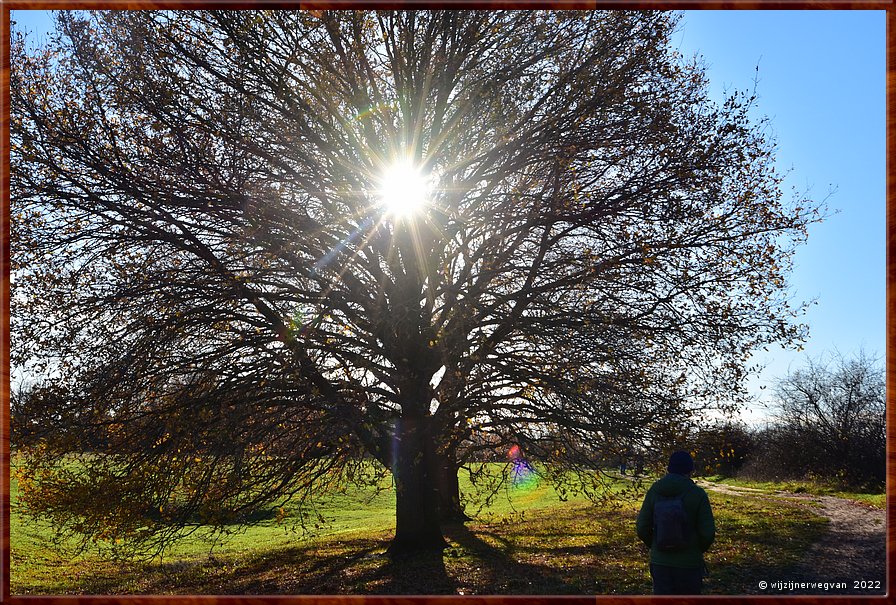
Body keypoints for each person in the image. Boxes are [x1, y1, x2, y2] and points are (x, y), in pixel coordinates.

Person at [636, 451, 715, 595]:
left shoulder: (654, 491)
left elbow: (642, 527)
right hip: (689, 563)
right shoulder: (698, 494)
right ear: (690, 470)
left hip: (660, 562)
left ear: (669, 468)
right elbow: (708, 533)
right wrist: (695, 549)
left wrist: (655, 544)